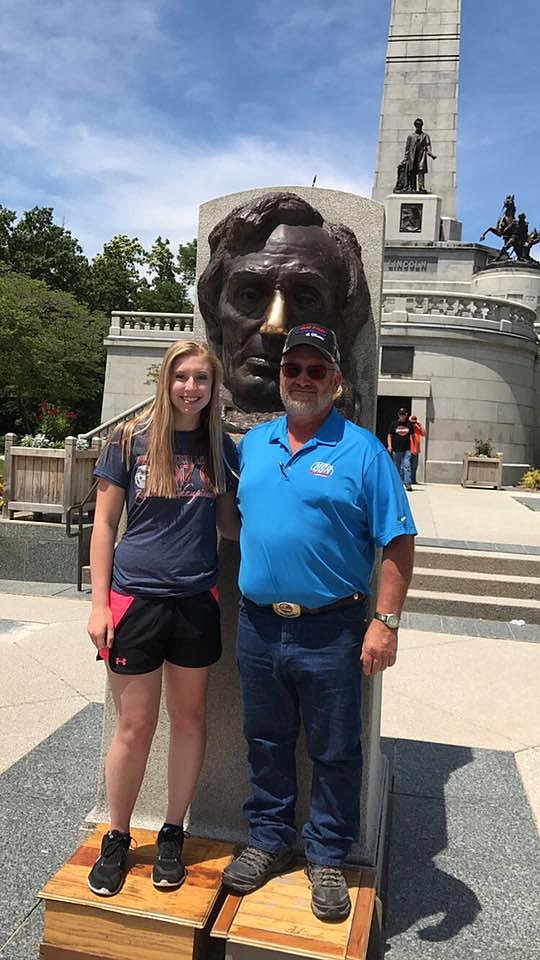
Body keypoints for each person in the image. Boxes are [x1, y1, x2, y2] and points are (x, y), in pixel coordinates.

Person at [222, 324, 416, 921]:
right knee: (266, 739)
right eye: (292, 370)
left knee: (335, 749)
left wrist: (385, 621)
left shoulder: (364, 451)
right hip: (257, 625)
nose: (302, 380)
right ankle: (270, 838)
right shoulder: (255, 446)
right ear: (280, 378)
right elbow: (233, 519)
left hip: (333, 629)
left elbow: (399, 541)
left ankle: (328, 853)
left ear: (336, 380)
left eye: (315, 371)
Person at [86, 340, 239, 897]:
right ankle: (119, 834)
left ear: (212, 387)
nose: (191, 388)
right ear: (166, 380)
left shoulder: (220, 447)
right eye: (183, 377)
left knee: (190, 717)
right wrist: (99, 603)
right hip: (135, 599)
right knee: (134, 725)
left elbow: (230, 527)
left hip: (196, 598)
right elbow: (105, 525)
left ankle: (173, 831)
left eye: (202, 378)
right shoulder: (128, 441)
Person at [197, 192, 370, 420]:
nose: (274, 327)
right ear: (213, 316)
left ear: (343, 326)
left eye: (306, 300)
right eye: (249, 296)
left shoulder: (362, 451)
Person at [403, 118, 436, 193]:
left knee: (421, 171)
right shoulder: (410, 136)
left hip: (421, 155)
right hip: (412, 156)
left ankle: (421, 187)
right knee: (412, 171)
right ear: (415, 126)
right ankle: (412, 187)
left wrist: (430, 154)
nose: (419, 126)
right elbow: (407, 148)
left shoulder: (425, 136)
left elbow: (428, 145)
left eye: (420, 125)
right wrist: (405, 158)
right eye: (417, 125)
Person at [387, 407, 415, 491]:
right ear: (398, 415)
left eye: (403, 414)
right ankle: (397, 484)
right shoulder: (394, 424)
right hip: (396, 449)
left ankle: (408, 484)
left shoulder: (409, 424)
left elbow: (413, 436)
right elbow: (389, 435)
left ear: (406, 415)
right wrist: (389, 446)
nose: (402, 416)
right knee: (396, 466)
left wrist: (414, 448)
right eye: (400, 414)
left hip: (407, 449)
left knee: (407, 465)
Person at [409, 414, 426, 485]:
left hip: (416, 450)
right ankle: (407, 479)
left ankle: (413, 480)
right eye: (412, 422)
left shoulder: (417, 428)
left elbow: (424, 433)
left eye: (414, 422)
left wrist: (420, 425)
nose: (413, 424)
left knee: (414, 466)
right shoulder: (408, 428)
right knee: (407, 466)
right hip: (408, 449)